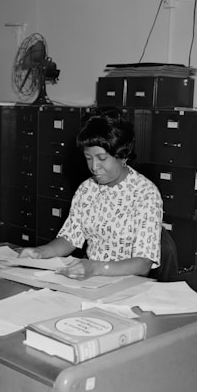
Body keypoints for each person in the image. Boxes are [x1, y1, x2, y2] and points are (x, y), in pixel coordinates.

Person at [18, 107, 163, 280]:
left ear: (123, 156)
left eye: (101, 158)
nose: (94, 167)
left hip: (127, 282)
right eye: (88, 158)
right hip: (92, 278)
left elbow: (143, 264)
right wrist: (39, 252)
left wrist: (97, 268)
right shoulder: (87, 189)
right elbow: (70, 239)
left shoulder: (146, 194)